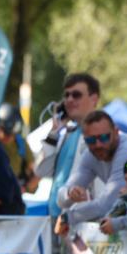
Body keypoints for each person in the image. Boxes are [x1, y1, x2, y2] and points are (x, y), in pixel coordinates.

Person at [32, 73, 101, 216]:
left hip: (85, 222)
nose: (69, 100)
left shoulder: (102, 137)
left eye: (76, 95)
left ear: (94, 99)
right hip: (58, 219)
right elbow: (40, 170)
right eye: (67, 95)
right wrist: (54, 132)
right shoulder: (67, 134)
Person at [0, 102, 39, 193]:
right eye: (5, 133)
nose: (9, 138)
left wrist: (26, 186)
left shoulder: (21, 144)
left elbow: (33, 176)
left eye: (12, 134)